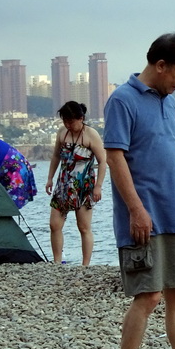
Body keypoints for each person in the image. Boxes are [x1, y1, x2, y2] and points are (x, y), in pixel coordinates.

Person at [103, 32, 175, 349]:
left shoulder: (170, 102)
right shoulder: (122, 100)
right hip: (146, 214)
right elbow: (115, 157)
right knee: (149, 295)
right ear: (160, 66)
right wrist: (136, 210)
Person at [44, 101, 107, 266]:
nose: (68, 125)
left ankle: (85, 265)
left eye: (71, 121)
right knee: (54, 224)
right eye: (65, 121)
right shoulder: (62, 133)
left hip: (84, 185)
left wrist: (98, 186)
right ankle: (57, 262)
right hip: (63, 183)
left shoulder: (91, 134)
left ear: (81, 118)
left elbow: (102, 161)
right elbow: (56, 156)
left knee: (84, 227)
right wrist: (50, 178)